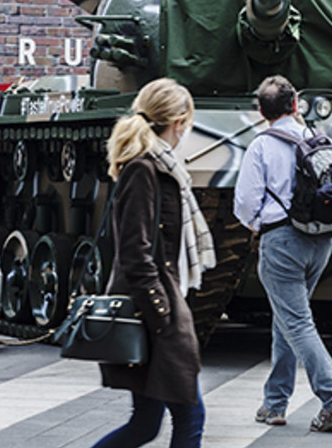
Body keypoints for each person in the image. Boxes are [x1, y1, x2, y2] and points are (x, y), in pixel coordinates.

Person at [95, 77, 217, 448]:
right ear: (178, 122)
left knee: (146, 423)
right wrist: (162, 315)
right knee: (190, 415)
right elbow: (135, 252)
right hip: (156, 314)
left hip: (162, 306)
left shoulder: (162, 168)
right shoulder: (144, 170)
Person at [233, 75, 332, 432]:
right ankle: (274, 403)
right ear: (295, 103)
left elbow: (244, 202)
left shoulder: (260, 146)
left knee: (297, 321)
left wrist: (257, 224)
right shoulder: (316, 138)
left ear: (260, 111)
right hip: (321, 241)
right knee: (285, 318)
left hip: (281, 241)